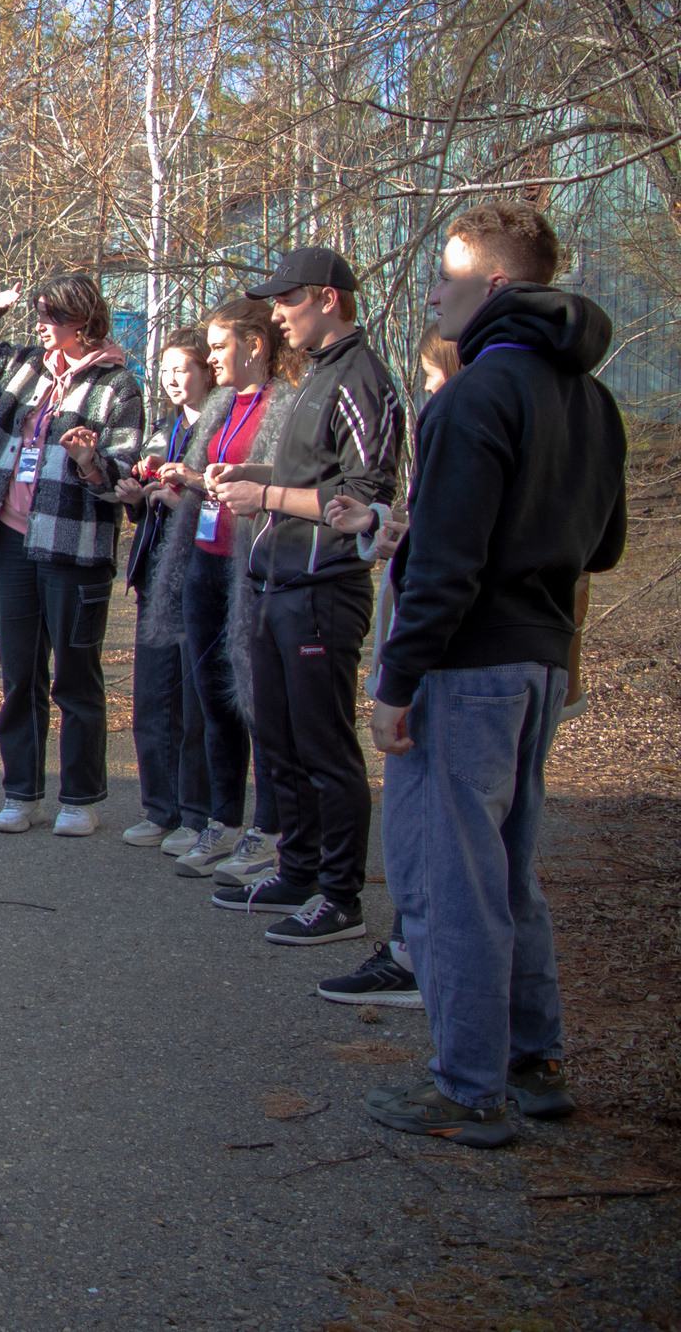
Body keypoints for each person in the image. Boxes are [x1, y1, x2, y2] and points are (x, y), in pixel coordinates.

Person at [363, 200, 625, 1148]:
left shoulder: (473, 397)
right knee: (507, 868)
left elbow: (447, 567)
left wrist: (396, 682)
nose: (433, 288)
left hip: (468, 664)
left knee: (452, 875)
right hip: (542, 659)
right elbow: (604, 546)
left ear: (498, 284)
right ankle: (530, 1058)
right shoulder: (589, 398)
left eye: (448, 271)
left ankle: (468, 1084)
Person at [207, 246, 405, 946]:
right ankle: (297, 869)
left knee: (326, 746)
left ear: (326, 298)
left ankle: (342, 897)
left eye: (286, 302)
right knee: (280, 738)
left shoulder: (362, 379)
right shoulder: (316, 374)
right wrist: (249, 469)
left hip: (324, 587)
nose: (278, 316)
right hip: (275, 581)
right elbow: (305, 472)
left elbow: (363, 498)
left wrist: (263, 494)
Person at [0, 274, 146, 836]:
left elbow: (124, 477)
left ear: (82, 321)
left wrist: (88, 461)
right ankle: (20, 792)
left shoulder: (118, 385)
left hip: (73, 549)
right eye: (37, 315)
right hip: (13, 541)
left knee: (75, 676)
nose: (40, 325)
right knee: (19, 673)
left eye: (50, 317)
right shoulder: (25, 365)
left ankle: (79, 797)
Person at [313, 322, 458, 1011]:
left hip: (448, 663)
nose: (426, 386)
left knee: (429, 821)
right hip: (503, 657)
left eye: (432, 373)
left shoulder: (463, 422)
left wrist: (394, 684)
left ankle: (415, 957)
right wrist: (383, 529)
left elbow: (451, 566)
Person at [138, 301, 296, 882]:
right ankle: (223, 820)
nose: (209, 359)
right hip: (204, 561)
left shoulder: (286, 402)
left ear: (255, 345)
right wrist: (187, 478)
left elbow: (289, 480)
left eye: (219, 348)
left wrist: (229, 481)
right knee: (212, 701)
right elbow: (213, 478)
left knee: (256, 701)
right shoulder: (222, 405)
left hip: (250, 568)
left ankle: (271, 829)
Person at [114, 330, 212, 851]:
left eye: (185, 368)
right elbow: (149, 501)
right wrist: (137, 496)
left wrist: (183, 499)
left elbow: (226, 507)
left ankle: (199, 815)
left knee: (195, 701)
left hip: (200, 575)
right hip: (156, 574)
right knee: (153, 697)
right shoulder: (167, 427)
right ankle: (160, 809)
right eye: (168, 369)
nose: (174, 379)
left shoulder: (221, 427)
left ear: (207, 371)